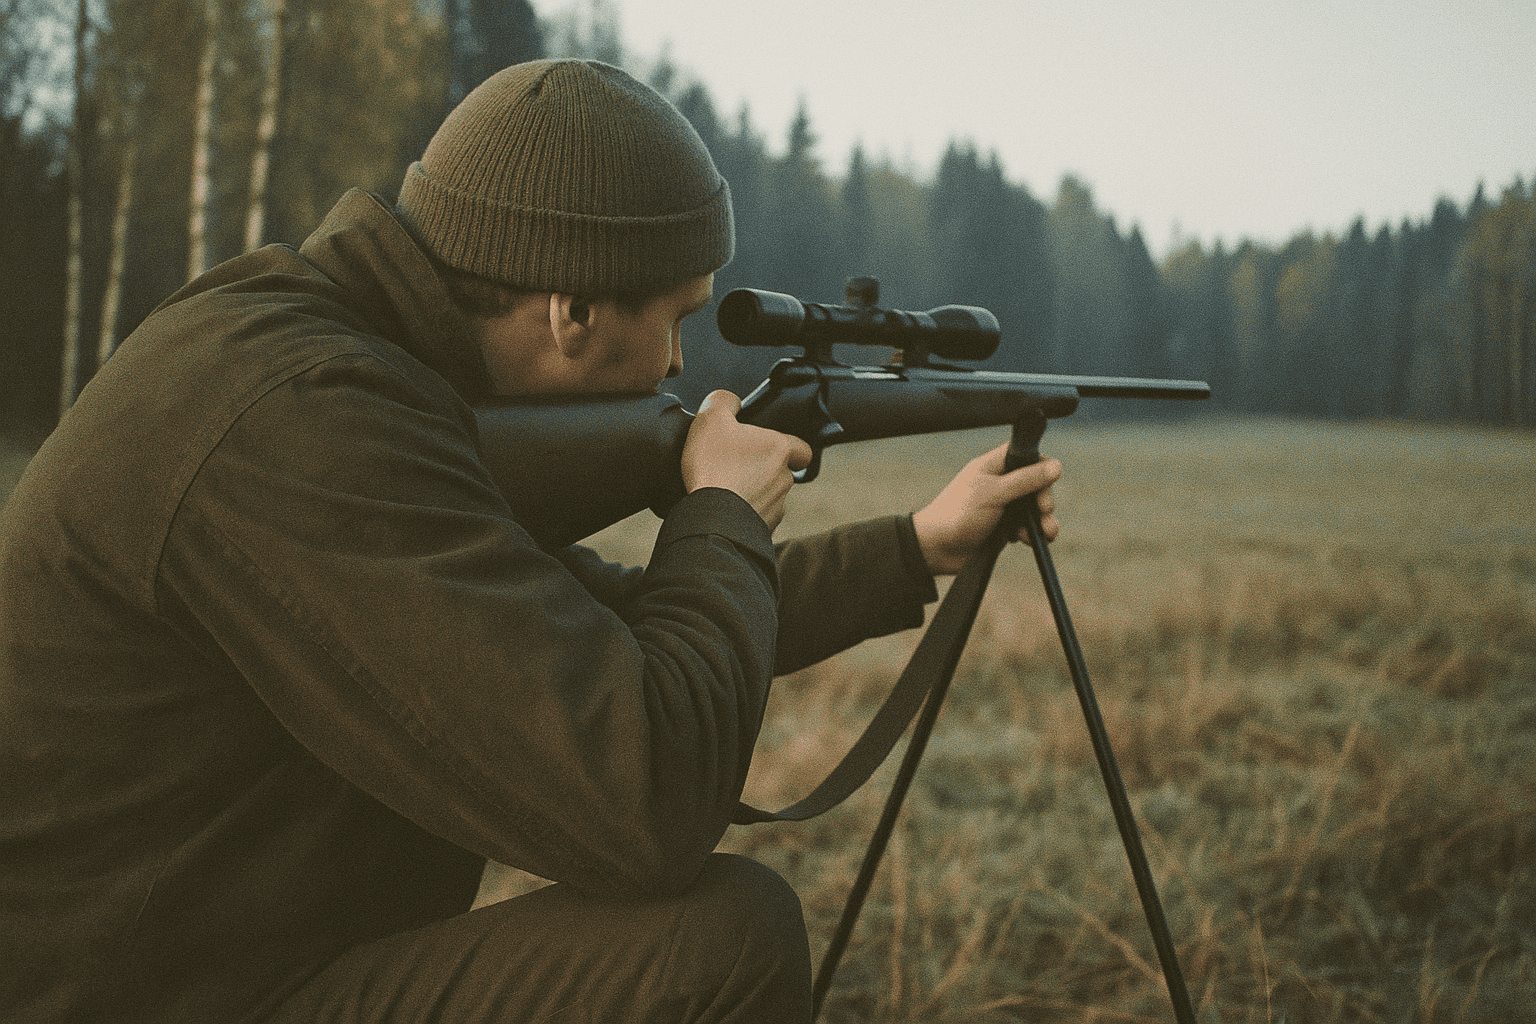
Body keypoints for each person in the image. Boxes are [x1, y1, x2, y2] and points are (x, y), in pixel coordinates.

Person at [0, 59, 1061, 1023]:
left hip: (223, 959)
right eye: (675, 318)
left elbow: (600, 623)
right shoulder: (304, 418)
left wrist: (916, 545)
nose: (677, 364)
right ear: (571, 312)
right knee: (719, 946)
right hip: (146, 997)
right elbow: (644, 806)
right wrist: (721, 513)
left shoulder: (330, 365)